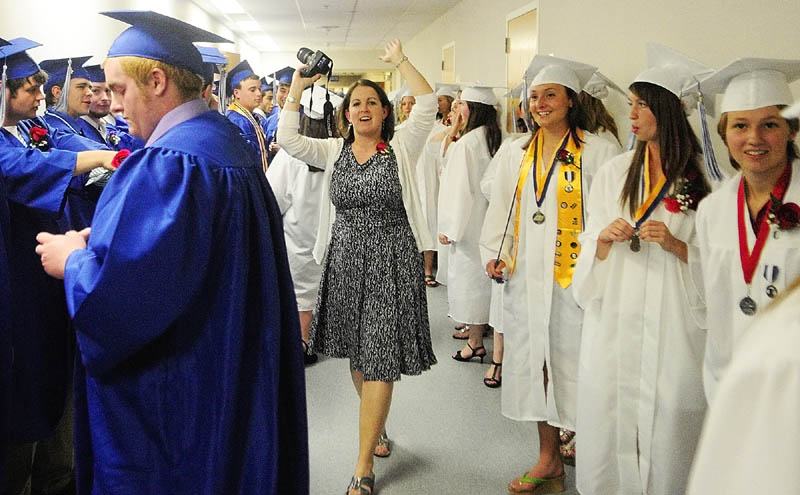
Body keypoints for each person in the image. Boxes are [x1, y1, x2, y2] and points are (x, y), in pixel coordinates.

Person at [34, 11, 308, 494]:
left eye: (119, 89)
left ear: (157, 80)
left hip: (183, 397)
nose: (113, 104)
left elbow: (124, 302)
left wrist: (72, 260)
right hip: (227, 368)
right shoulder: (223, 145)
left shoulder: (173, 163)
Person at [277, 39, 437, 495]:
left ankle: (363, 463)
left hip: (392, 261)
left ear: (385, 112)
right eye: (356, 103)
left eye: (372, 102)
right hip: (344, 261)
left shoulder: (402, 145)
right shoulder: (332, 153)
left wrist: (402, 61)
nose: (363, 108)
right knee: (357, 357)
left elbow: (426, 102)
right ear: (346, 114)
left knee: (380, 356)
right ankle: (378, 427)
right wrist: (296, 85)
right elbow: (287, 139)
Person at [572, 44, 712, 495]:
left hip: (673, 319)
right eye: (630, 104)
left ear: (667, 112)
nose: (631, 115)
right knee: (609, 406)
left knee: (670, 418)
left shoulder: (701, 181)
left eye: (642, 106)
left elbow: (720, 266)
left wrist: (675, 244)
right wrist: (602, 240)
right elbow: (587, 241)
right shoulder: (616, 173)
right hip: (616, 311)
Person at [480, 55, 619, 493]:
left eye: (550, 95)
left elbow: (609, 213)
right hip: (526, 278)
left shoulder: (599, 151)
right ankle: (548, 457)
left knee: (583, 363)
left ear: (571, 100)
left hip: (576, 278)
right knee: (534, 362)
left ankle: (595, 457)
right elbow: (502, 207)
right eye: (534, 96)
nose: (540, 103)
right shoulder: (513, 151)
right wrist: (496, 253)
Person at [0, 36, 118, 495]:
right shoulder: (10, 143)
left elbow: (60, 147)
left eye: (38, 86)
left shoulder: (31, 127)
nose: (39, 96)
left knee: (52, 370)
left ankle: (56, 475)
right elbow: (25, 168)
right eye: (27, 87)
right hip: (13, 278)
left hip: (41, 270)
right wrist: (102, 156)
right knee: (21, 379)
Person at [695, 57, 800, 402]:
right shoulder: (713, 210)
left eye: (770, 124)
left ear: (791, 130)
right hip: (730, 378)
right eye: (740, 126)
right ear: (724, 134)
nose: (754, 138)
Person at [266, 84, 343, 366]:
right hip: (332, 235)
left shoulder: (291, 155)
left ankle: (303, 342)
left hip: (298, 236)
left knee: (301, 295)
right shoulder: (341, 151)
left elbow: (273, 200)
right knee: (323, 287)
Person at [439, 84, 501, 368]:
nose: (458, 108)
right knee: (487, 281)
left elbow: (459, 190)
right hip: (492, 222)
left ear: (473, 109)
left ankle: (474, 343)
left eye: (462, 103)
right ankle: (484, 332)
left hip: (469, 223)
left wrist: (450, 228)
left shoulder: (467, 143)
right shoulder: (497, 137)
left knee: (471, 281)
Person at [417, 83, 457, 287]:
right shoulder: (419, 128)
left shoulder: (445, 129)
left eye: (440, 100)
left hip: (436, 184)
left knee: (432, 222)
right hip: (420, 183)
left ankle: (428, 270)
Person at [226, 59, 269, 172]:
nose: (259, 93)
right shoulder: (237, 120)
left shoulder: (250, 117)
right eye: (252, 90)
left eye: (259, 89)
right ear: (237, 93)